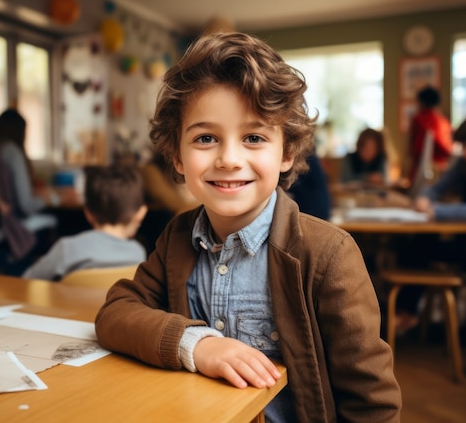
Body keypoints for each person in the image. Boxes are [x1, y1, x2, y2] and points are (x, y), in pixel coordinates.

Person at [95, 32, 401, 422]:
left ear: (287, 152)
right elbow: (116, 313)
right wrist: (197, 344)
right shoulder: (176, 238)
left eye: (253, 137)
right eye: (206, 138)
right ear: (176, 155)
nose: (229, 158)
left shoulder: (327, 255)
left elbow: (372, 401)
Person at [396, 110, 466, 332]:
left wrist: (433, 209)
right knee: (417, 243)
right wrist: (425, 199)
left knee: (419, 248)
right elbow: (436, 189)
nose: (465, 153)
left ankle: (407, 315)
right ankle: (408, 314)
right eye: (463, 147)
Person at [22, 165, 147, 281]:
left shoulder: (67, 249)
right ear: (140, 215)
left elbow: (26, 282)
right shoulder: (138, 254)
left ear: (88, 213)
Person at [0, 109, 71, 258]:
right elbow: (26, 206)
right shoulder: (12, 152)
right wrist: (54, 199)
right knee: (59, 220)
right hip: (10, 225)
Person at [407, 86, 453, 185]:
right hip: (442, 171)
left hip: (424, 172)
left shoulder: (419, 120)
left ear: (422, 102)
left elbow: (416, 150)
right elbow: (448, 149)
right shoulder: (444, 122)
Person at [286, 150, 331, 220]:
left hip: (311, 210)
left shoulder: (304, 157)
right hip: (317, 209)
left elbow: (290, 183)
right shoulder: (309, 155)